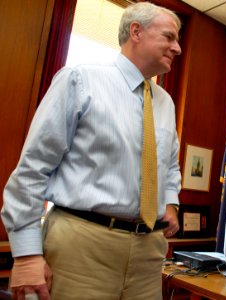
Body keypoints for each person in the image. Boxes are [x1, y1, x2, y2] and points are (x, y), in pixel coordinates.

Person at [1, 2, 182, 299]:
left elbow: (170, 165)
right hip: (82, 247)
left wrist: (171, 203)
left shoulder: (165, 102)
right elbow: (33, 168)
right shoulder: (79, 79)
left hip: (149, 255)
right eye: (169, 37)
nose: (177, 48)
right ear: (136, 31)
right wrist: (27, 255)